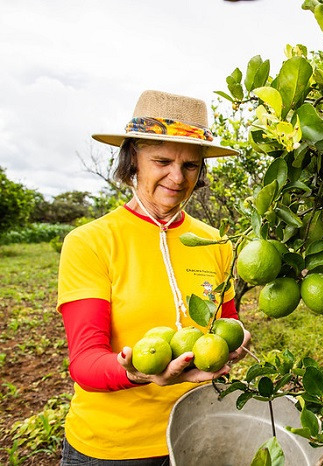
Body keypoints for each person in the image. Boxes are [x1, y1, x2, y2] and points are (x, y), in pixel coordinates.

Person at [57, 90, 251, 465]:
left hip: (198, 435)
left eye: (191, 166)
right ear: (133, 161)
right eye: (161, 160)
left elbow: (224, 324)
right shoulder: (92, 242)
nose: (177, 178)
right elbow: (84, 361)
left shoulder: (214, 241)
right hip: (113, 450)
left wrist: (234, 340)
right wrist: (138, 374)